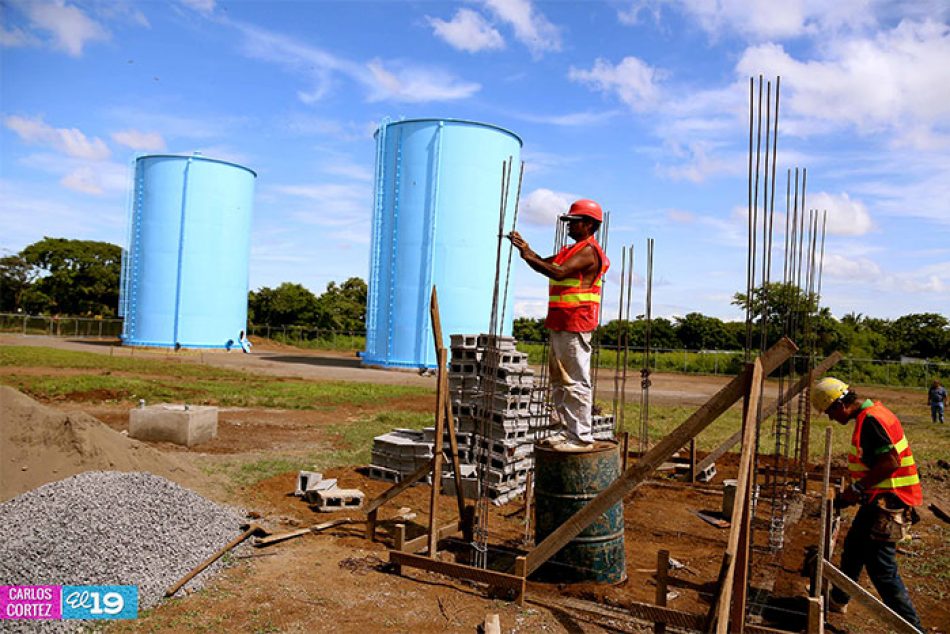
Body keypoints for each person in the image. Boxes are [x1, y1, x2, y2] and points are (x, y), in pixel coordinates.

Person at [811, 377, 924, 631]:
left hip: (889, 503)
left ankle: (913, 628)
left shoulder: (871, 420)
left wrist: (857, 488)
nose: (830, 418)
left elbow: (890, 463)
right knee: (853, 546)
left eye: (829, 411)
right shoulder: (872, 414)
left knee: (881, 568)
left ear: (840, 404)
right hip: (880, 499)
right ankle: (839, 599)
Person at [509, 199, 609, 450]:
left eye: (573, 222)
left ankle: (580, 436)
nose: (568, 226)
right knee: (560, 381)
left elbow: (558, 272)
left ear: (588, 225)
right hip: (561, 322)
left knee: (575, 381)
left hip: (575, 323)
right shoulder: (571, 250)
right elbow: (545, 264)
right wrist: (527, 251)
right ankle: (567, 431)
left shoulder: (588, 251)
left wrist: (528, 254)